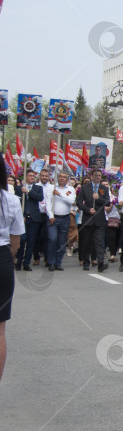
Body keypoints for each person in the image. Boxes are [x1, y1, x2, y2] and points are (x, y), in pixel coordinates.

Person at [0, 155, 24, 382]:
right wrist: (10, 258)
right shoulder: (12, 200)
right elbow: (16, 239)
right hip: (2, 259)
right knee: (0, 330)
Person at [76, 169, 111, 272]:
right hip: (88, 219)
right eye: (96, 175)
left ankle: (100, 263)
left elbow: (108, 203)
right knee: (87, 242)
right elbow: (78, 202)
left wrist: (98, 198)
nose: (98, 177)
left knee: (99, 242)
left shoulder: (104, 188)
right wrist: (87, 209)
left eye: (99, 175)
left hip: (99, 220)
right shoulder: (85, 188)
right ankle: (86, 262)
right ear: (92, 176)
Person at [45, 170, 75, 271]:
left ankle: (58, 262)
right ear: (58, 177)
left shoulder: (70, 189)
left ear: (67, 179)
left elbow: (71, 201)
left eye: (64, 177)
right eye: (60, 176)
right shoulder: (51, 187)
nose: (62, 178)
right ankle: (51, 262)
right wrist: (50, 216)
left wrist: (60, 194)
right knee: (52, 239)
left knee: (62, 241)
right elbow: (48, 202)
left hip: (65, 218)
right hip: (54, 217)